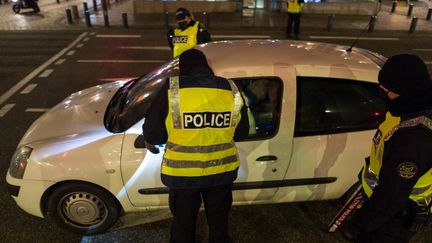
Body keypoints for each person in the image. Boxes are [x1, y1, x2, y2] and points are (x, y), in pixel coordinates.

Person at [143, 49, 249, 243]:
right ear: (206, 65)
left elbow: (153, 133)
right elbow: (243, 132)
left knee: (183, 224)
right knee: (219, 223)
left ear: (184, 67)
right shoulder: (231, 89)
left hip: (183, 176)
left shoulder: (173, 88)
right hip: (221, 172)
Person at [340, 54, 432, 243]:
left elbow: (392, 197)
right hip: (386, 207)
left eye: (388, 91)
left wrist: (359, 224)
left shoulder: (415, 140)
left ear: (409, 91)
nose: (384, 94)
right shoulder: (408, 108)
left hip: (395, 219)